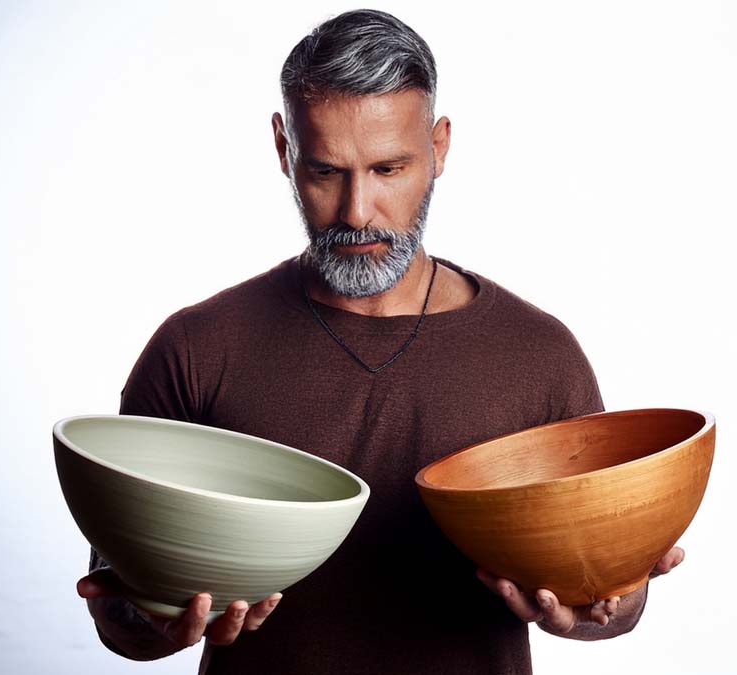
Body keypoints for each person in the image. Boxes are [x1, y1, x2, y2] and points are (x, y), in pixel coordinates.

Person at [75, 9, 685, 674]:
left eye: (389, 168)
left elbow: (612, 597)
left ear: (439, 147)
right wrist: (158, 624)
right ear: (284, 150)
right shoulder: (195, 348)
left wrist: (603, 603)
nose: (357, 209)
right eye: (325, 171)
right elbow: (118, 609)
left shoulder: (538, 353)